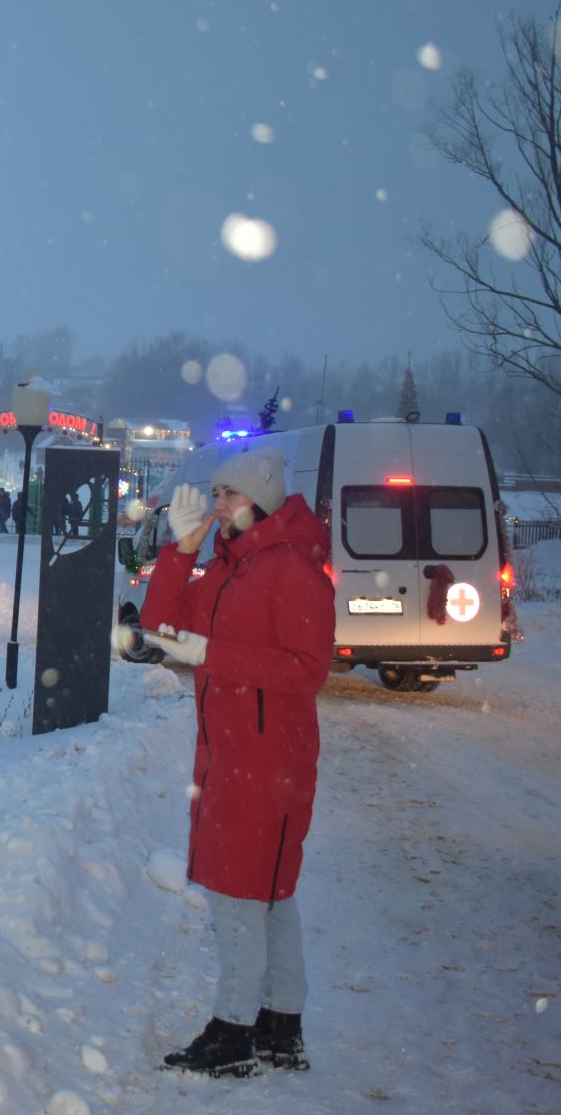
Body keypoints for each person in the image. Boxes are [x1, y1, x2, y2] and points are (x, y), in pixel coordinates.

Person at [138, 448, 334, 1078]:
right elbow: (160, 628)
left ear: (262, 500)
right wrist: (183, 550)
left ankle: (233, 1031)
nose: (216, 503)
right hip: (232, 756)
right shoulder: (228, 569)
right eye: (216, 492)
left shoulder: (293, 571)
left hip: (271, 758)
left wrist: (213, 654)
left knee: (241, 897)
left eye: (227, 494)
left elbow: (309, 671)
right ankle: (281, 1024)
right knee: (269, 894)